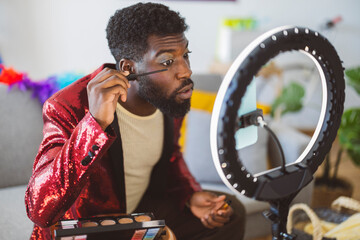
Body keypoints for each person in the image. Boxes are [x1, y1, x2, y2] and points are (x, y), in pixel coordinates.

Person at [25, 2, 245, 240]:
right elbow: (39, 209)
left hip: (139, 213)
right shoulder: (69, 106)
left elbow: (170, 156)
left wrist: (189, 194)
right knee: (154, 234)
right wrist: (94, 124)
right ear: (129, 68)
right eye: (168, 62)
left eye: (185, 55)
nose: (185, 71)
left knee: (229, 210)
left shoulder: (168, 98)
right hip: (88, 229)